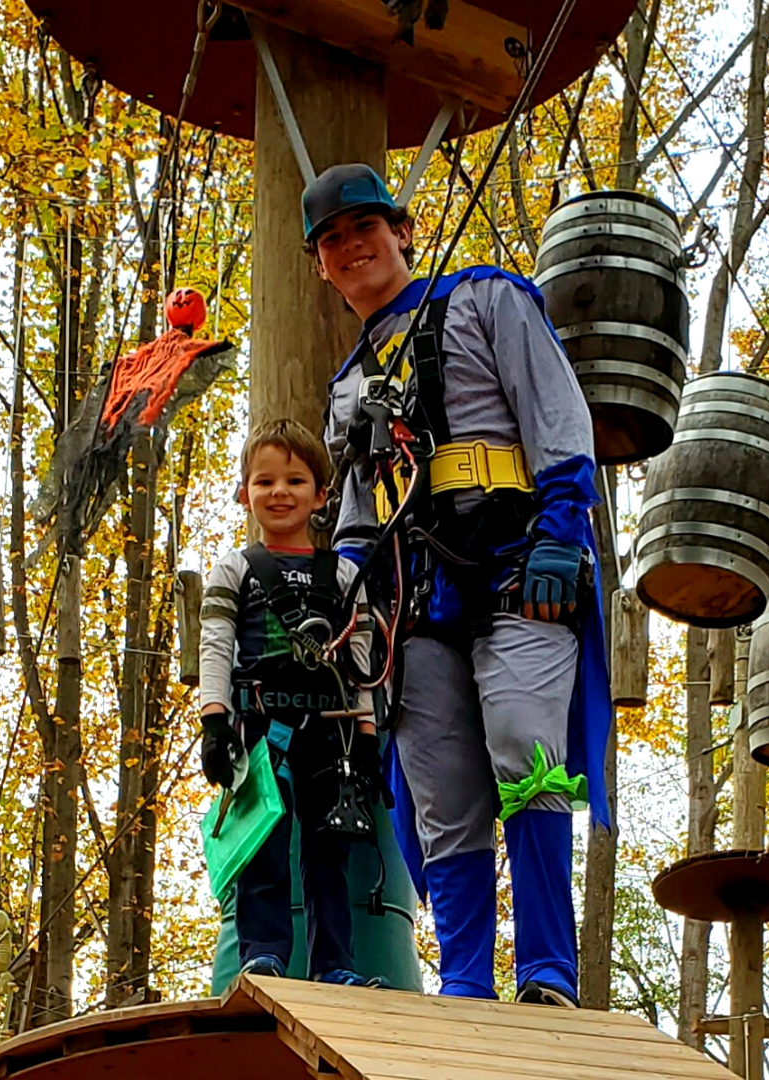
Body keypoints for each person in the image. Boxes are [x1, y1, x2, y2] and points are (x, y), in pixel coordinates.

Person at [306, 164, 612, 1006]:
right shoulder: (348, 385)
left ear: (401, 231)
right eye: (332, 240)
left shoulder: (486, 299)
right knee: (441, 789)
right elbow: (361, 516)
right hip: (414, 602)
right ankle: (468, 983)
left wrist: (561, 533)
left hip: (517, 564)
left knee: (525, 743)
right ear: (322, 268)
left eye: (364, 227)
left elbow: (559, 415)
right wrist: (340, 603)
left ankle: (548, 970)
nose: (351, 246)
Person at [198, 418, 387, 986]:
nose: (279, 493)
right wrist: (215, 722)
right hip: (261, 728)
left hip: (333, 732)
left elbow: (360, 665)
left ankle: (335, 964)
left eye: (295, 481)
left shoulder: (345, 574)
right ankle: (264, 955)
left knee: (330, 849)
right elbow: (216, 644)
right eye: (264, 482)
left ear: (321, 495)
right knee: (264, 847)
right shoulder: (235, 570)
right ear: (244, 493)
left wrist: (370, 738)